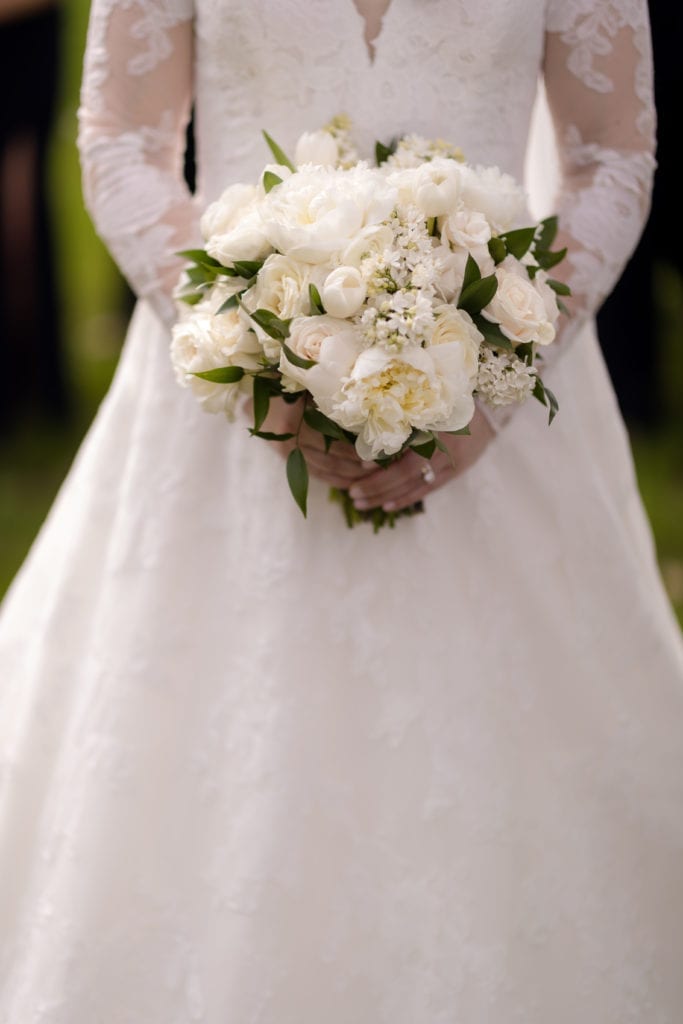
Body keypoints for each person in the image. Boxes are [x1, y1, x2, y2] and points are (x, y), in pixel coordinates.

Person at [1, 1, 682, 1019]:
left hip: (502, 416)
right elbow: (123, 142)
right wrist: (248, 357)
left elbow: (610, 159)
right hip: (215, 425)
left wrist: (493, 379)